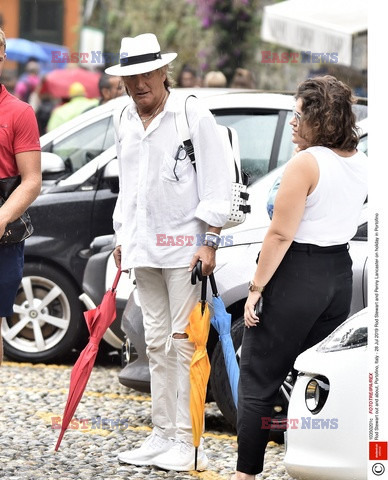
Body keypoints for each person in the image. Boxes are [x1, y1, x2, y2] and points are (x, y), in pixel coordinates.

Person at [105, 33, 231, 471]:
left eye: (145, 74)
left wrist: (210, 239)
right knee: (154, 343)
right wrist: (123, 236)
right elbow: (128, 188)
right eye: (129, 77)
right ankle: (161, 434)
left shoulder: (190, 113)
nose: (138, 84)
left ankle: (187, 440)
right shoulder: (124, 118)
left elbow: (218, 180)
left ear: (163, 73)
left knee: (184, 345)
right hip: (144, 248)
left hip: (185, 251)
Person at [232, 75, 367, 480]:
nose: (292, 122)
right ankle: (312, 463)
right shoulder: (360, 163)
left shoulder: (306, 163)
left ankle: (245, 474)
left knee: (257, 379)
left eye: (298, 114)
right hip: (337, 276)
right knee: (313, 377)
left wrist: (255, 289)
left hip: (296, 275)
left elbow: (280, 234)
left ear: (321, 119)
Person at [0, 28, 42, 365]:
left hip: (3, 229)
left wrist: (1, 217)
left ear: (2, 55)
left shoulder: (19, 112)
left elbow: (31, 180)